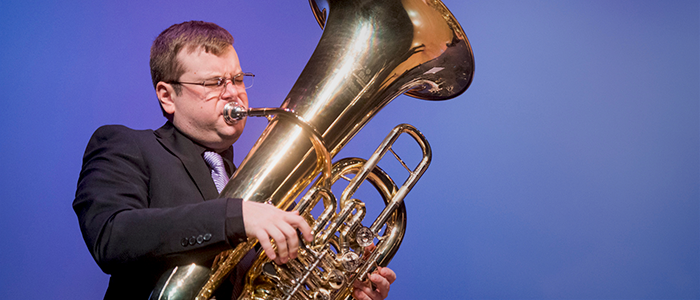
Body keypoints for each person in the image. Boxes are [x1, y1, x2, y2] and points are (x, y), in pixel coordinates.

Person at [73, 20, 396, 300]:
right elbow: (112, 236)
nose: (233, 93)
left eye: (238, 79)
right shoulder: (127, 144)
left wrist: (340, 291)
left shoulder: (262, 199)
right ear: (167, 96)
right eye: (214, 83)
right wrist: (234, 217)